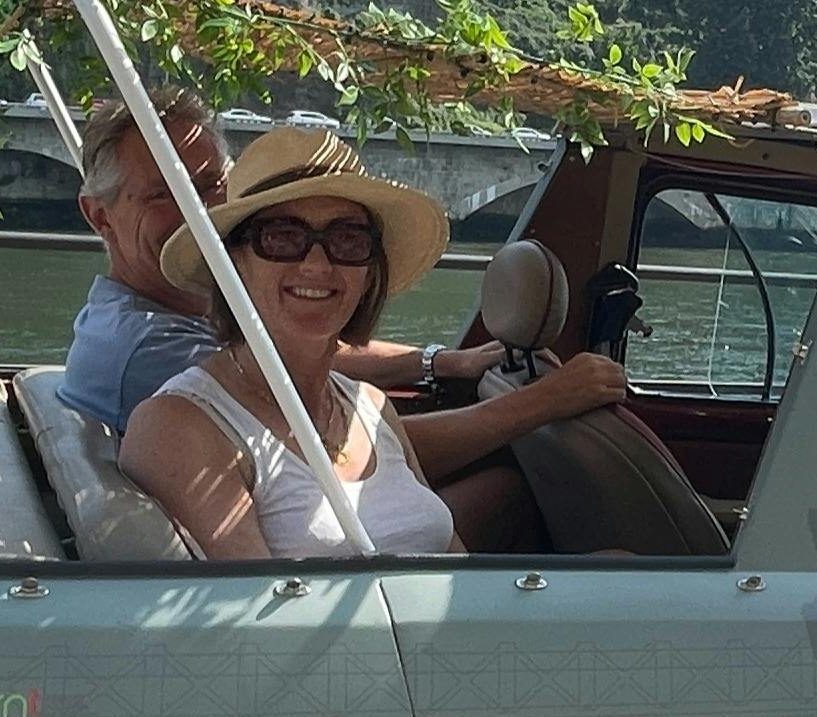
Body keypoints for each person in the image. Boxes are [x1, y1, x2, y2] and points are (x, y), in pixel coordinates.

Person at [121, 127, 629, 560]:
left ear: (369, 273)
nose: (318, 265)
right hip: (364, 673)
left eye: (347, 240)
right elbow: (266, 635)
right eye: (282, 236)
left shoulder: (370, 407)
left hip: (450, 650)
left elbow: (459, 572)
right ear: (233, 263)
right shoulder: (178, 423)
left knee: (625, 568)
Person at [58, 92, 500, 430]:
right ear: (100, 217)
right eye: (164, 193)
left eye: (213, 184)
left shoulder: (173, 320)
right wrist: (536, 406)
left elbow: (294, 354)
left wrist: (437, 362)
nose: (201, 210)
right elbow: (332, 458)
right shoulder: (153, 353)